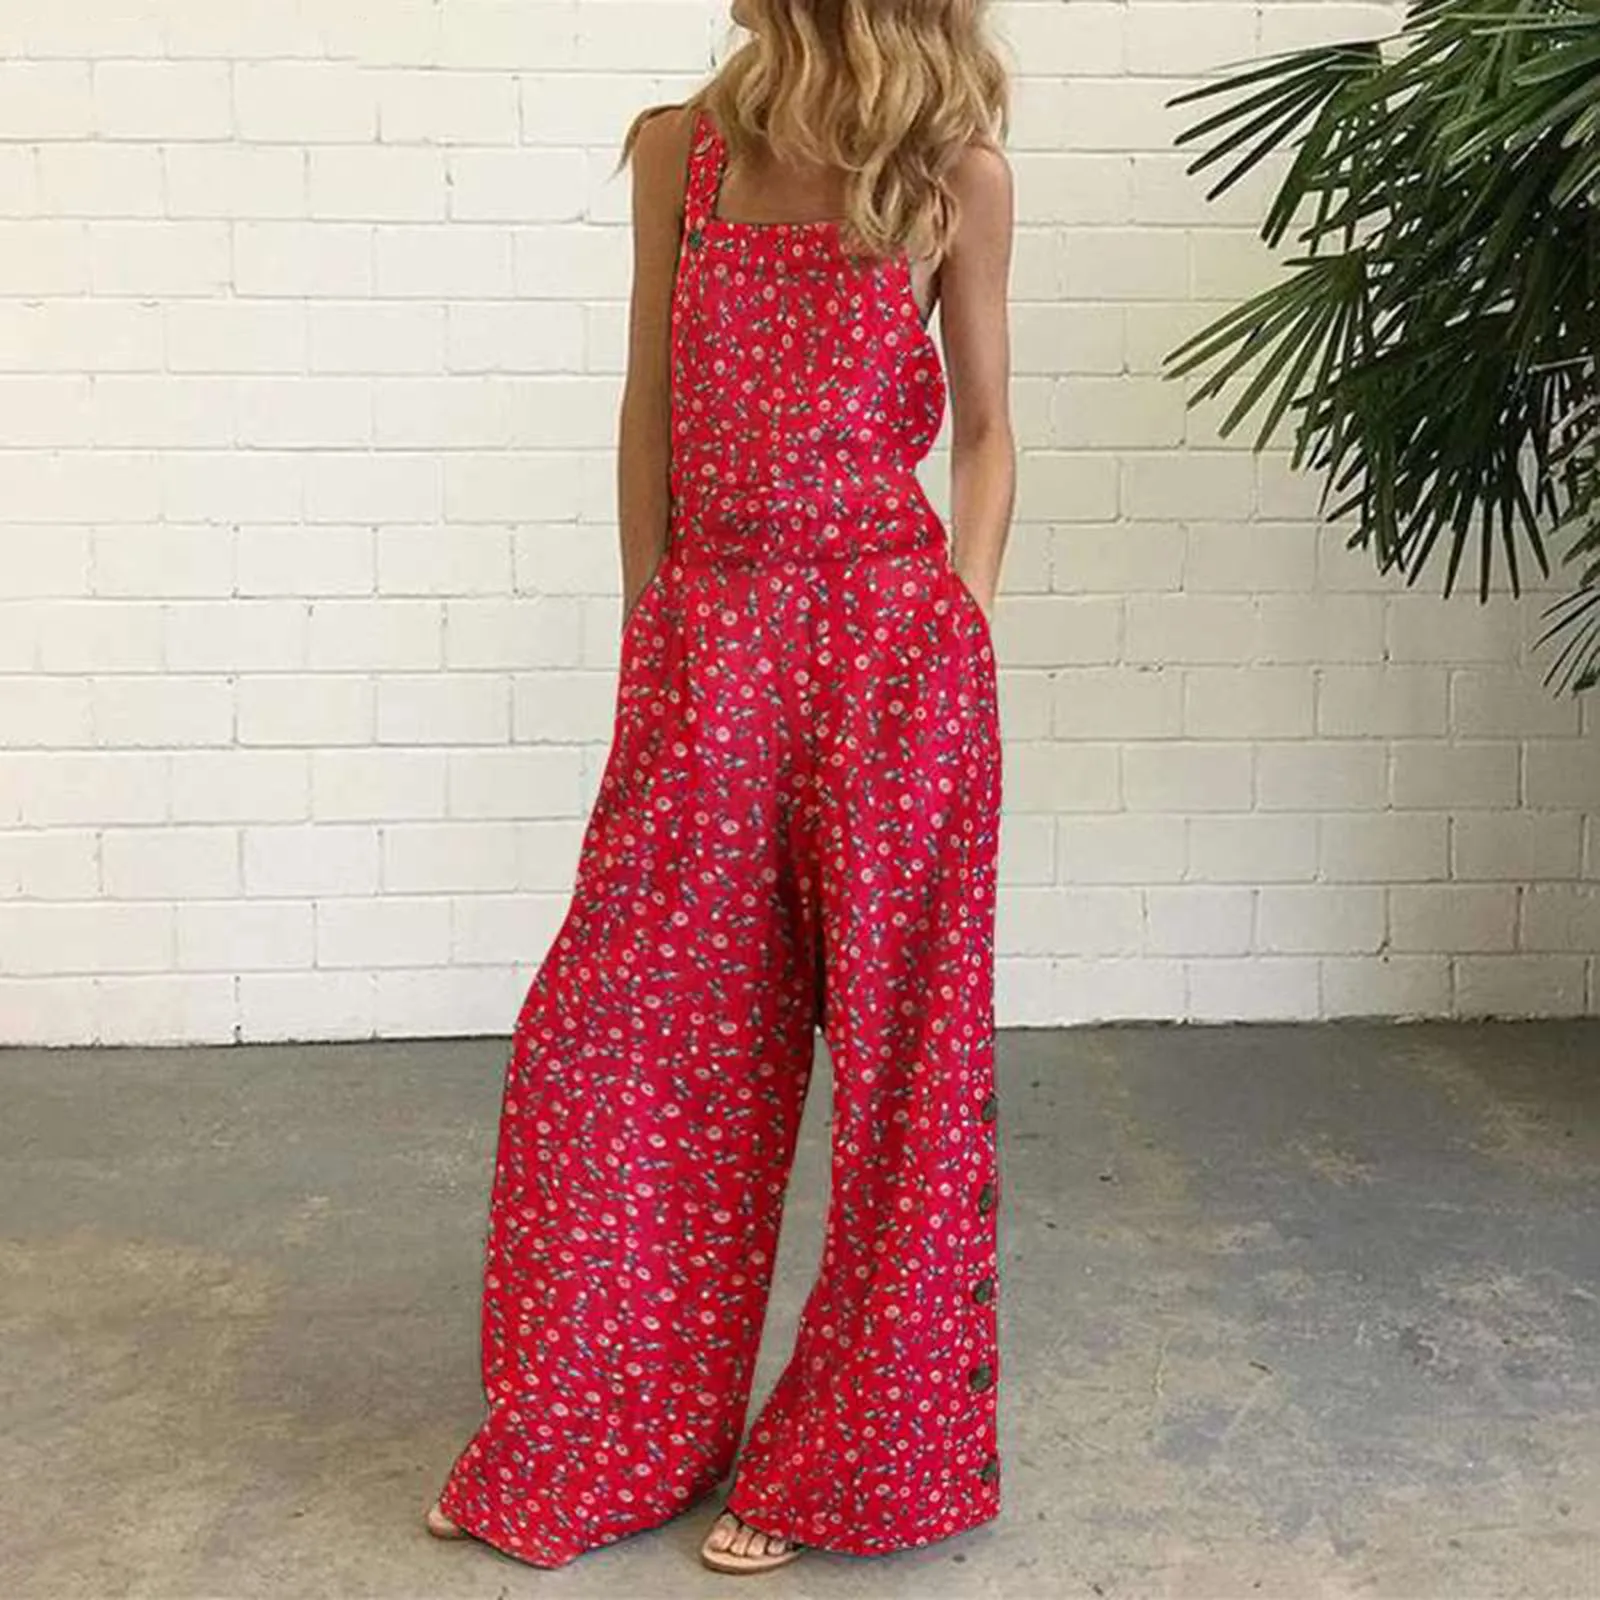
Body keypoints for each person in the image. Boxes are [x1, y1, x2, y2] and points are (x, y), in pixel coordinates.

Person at [426, 0, 1014, 1576]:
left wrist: (957, 626)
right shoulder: (682, 153)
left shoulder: (953, 171)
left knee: (902, 1083)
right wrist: (652, 624)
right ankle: (599, 1433)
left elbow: (988, 432)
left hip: (892, 657)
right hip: (713, 643)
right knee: (622, 1048)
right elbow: (647, 407)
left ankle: (845, 1471)